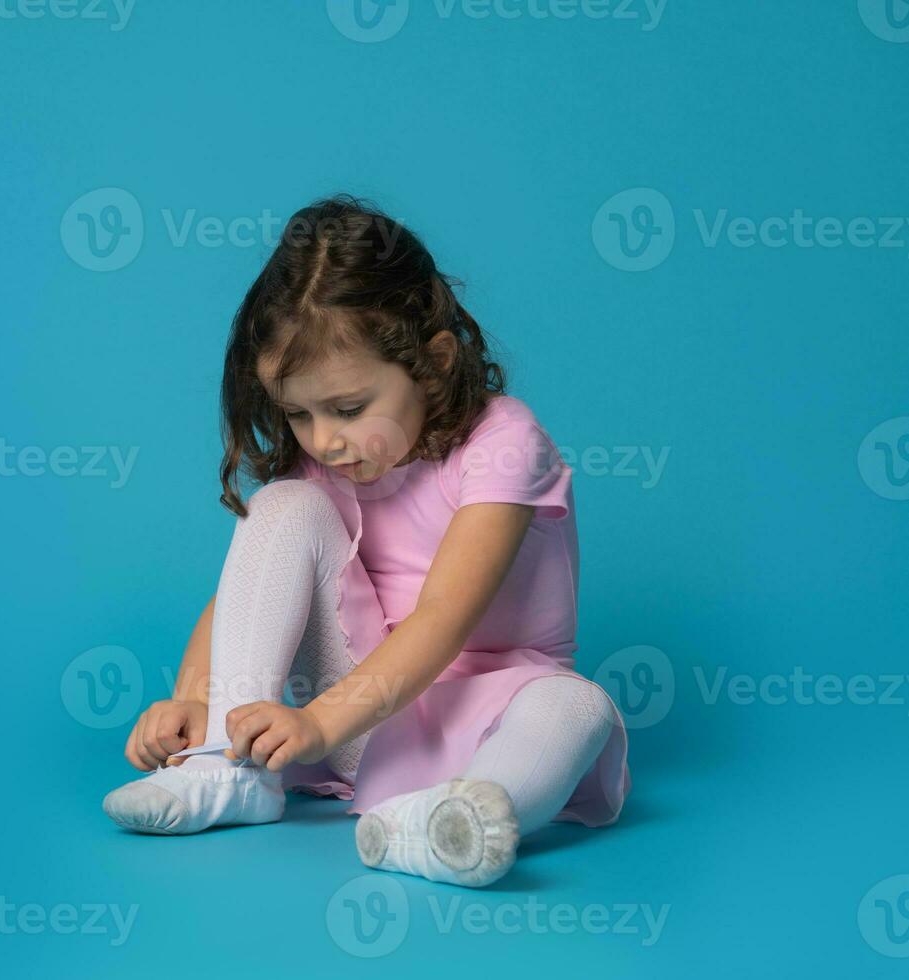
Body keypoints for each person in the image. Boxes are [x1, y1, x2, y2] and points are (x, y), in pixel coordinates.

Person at [101, 194, 630, 888]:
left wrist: (317, 723)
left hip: (482, 725)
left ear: (433, 364)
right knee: (281, 503)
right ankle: (224, 765)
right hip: (360, 719)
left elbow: (442, 617)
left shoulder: (504, 444)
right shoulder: (323, 462)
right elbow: (239, 592)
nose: (323, 439)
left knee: (577, 706)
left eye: (348, 409)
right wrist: (194, 701)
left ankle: (449, 822)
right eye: (298, 414)